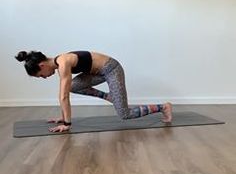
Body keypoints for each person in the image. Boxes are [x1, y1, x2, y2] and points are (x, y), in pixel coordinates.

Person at [15, 50, 172, 133]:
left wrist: (67, 124)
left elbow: (63, 97)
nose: (43, 78)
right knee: (69, 86)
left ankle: (163, 107)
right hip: (97, 72)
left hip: (112, 69)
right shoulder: (59, 64)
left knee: (125, 114)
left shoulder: (63, 63)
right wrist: (61, 117)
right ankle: (110, 97)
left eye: (40, 76)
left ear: (42, 66)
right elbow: (63, 93)